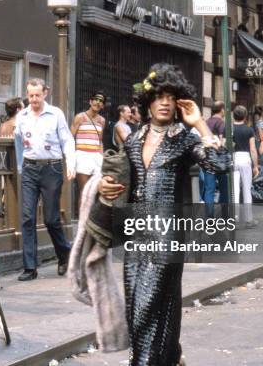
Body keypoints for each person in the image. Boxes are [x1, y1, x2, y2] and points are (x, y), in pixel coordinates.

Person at [98, 63, 229, 366]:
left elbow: (219, 166)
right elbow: (122, 182)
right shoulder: (132, 139)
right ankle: (171, 355)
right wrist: (106, 184)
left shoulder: (185, 139)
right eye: (159, 96)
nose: (165, 102)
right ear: (148, 102)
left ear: (179, 102)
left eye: (171, 97)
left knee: (146, 304)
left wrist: (200, 124)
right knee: (145, 304)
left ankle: (142, 362)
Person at [14, 78, 75, 281]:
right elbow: (18, 142)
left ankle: (64, 254)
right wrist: (21, 166)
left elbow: (67, 140)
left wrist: (71, 164)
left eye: (37, 95)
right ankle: (30, 267)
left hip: (52, 168)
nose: (34, 99)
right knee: (27, 217)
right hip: (30, 168)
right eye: (30, 95)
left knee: (51, 219)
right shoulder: (21, 116)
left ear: (45, 93)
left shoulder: (55, 114)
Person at [70, 91, 105, 197]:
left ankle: (93, 214)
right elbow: (70, 138)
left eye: (101, 101)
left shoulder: (102, 120)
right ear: (90, 101)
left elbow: (100, 140)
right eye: (96, 100)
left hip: (96, 157)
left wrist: (101, 156)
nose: (98, 103)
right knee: (84, 192)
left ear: (102, 105)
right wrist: (72, 158)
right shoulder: (80, 117)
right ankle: (83, 214)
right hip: (82, 156)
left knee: (96, 192)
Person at [232, 105, 259, 228]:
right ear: (245, 116)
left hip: (233, 157)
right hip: (245, 157)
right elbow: (253, 149)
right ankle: (249, 219)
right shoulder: (249, 130)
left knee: (235, 190)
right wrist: (256, 166)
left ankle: (235, 218)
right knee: (247, 189)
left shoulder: (229, 129)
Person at [203, 101, 228, 214]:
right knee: (224, 189)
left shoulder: (205, 123)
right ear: (222, 109)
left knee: (209, 190)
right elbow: (222, 143)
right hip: (220, 160)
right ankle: (225, 216)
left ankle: (209, 218)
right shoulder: (222, 123)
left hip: (207, 159)